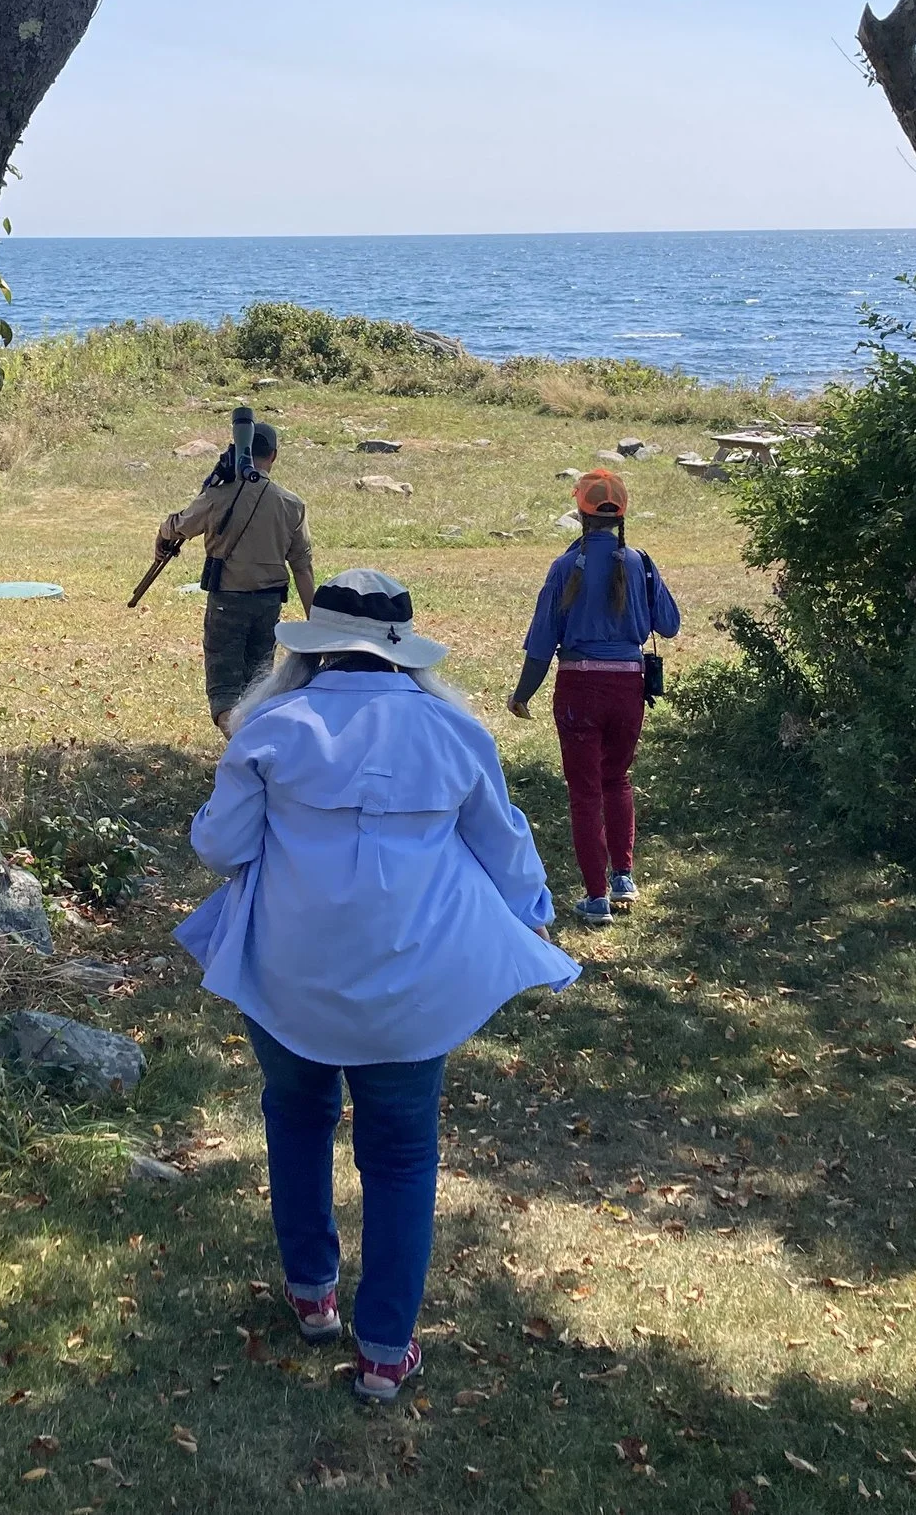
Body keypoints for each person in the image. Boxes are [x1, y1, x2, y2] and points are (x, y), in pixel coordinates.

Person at [178, 569, 578, 1403]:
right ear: (405, 651)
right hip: (412, 984)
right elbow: (505, 849)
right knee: (400, 1152)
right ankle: (387, 1348)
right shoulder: (453, 731)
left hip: (290, 973)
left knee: (296, 1113)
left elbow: (220, 848)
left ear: (312, 645)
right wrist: (532, 912)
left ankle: (312, 1287)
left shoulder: (271, 726)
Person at [508, 468, 683, 926]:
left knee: (584, 791)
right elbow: (669, 624)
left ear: (581, 514)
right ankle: (624, 876)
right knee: (617, 780)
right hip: (628, 684)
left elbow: (542, 644)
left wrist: (522, 694)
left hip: (578, 688)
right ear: (621, 514)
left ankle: (595, 895)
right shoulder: (641, 562)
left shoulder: (565, 567)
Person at [154, 419, 318, 730]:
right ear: (274, 455)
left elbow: (181, 525)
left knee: (225, 687)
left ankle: (244, 748)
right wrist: (316, 625)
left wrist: (163, 533)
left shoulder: (219, 495)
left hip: (227, 602)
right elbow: (302, 567)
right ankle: (258, 744)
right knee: (259, 683)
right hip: (269, 605)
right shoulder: (291, 504)